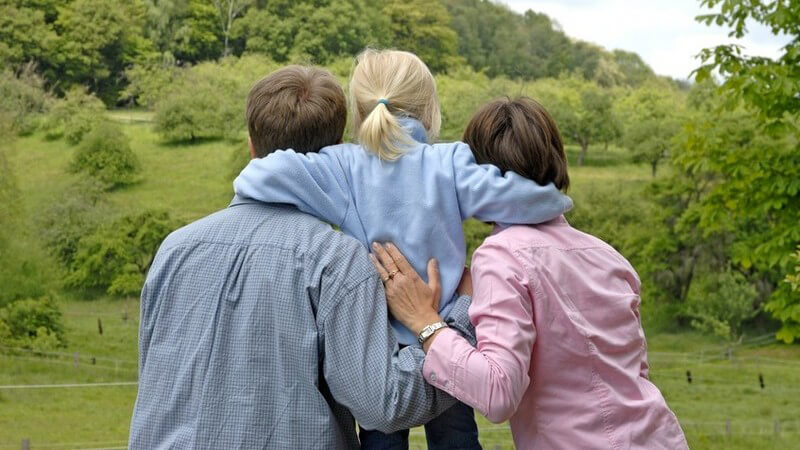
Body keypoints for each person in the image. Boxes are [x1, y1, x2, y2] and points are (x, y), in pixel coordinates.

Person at [233, 49, 573, 449]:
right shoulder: (449, 163)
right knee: (457, 441)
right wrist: (557, 203)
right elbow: (524, 199)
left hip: (378, 345)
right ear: (429, 109)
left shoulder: (342, 167)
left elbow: (259, 176)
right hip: (446, 335)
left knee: (381, 442)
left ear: (360, 110)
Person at [128, 65, 475, 449]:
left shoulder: (174, 249)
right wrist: (453, 324)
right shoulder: (335, 262)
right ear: (334, 152)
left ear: (251, 146)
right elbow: (384, 405)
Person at [370, 97, 690, 449]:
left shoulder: (501, 256)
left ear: (480, 176)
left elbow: (498, 393)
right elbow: (633, 374)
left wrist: (424, 322)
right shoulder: (609, 257)